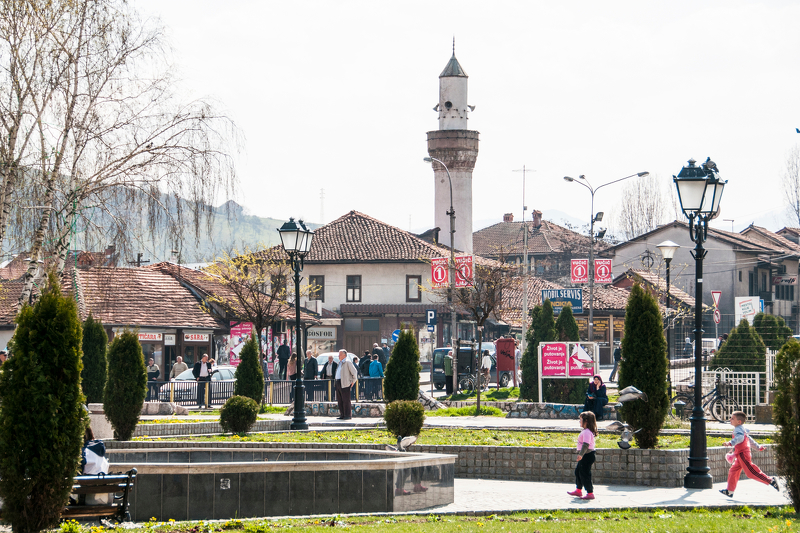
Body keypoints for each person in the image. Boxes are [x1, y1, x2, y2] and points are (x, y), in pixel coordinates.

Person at [719, 411, 780, 498]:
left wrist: (730, 443)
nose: (730, 419)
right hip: (740, 454)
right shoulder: (741, 429)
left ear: (739, 421)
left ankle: (770, 480)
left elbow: (740, 438)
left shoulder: (738, 430)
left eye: (732, 418)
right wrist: (758, 447)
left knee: (751, 472)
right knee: (733, 471)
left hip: (743, 454)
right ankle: (729, 491)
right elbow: (749, 439)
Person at [568, 411, 597, 500]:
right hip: (585, 455)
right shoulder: (585, 431)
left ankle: (590, 492)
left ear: (586, 421)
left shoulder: (587, 432)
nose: (579, 422)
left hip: (587, 455)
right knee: (578, 472)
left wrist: (581, 455)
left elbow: (586, 444)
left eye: (580, 420)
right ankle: (578, 490)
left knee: (585, 474)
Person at [335, 349, 357, 420]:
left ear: (344, 355)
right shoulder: (340, 363)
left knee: (346, 400)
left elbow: (354, 372)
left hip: (345, 383)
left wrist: (353, 381)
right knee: (340, 400)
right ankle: (342, 414)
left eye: (340, 354)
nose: (339, 356)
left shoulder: (348, 362)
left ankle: (347, 415)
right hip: (338, 382)